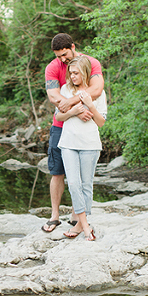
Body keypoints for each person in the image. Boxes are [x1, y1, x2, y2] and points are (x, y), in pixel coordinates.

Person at [42, 33, 105, 233]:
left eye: (64, 54)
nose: (62, 59)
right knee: (57, 171)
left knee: (81, 178)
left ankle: (77, 218)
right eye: (58, 56)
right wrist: (72, 109)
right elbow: (53, 95)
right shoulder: (52, 67)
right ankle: (54, 216)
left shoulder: (90, 63)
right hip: (60, 128)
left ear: (72, 46)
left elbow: (96, 89)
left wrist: (71, 104)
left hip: (84, 128)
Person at [54, 55, 107, 240]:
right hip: (68, 143)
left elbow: (101, 122)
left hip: (90, 145)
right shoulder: (66, 89)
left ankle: (78, 225)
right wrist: (74, 111)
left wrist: (90, 106)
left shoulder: (97, 93)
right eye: (71, 73)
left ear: (85, 72)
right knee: (74, 184)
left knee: (86, 185)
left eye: (76, 73)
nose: (73, 76)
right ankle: (86, 227)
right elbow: (58, 117)